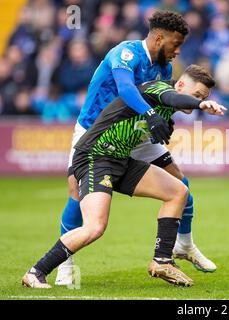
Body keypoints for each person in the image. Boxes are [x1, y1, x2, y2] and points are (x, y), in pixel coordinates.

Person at [21, 65, 227, 289]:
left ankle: (162, 260)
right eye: (196, 94)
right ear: (180, 85)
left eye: (203, 97)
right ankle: (36, 272)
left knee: (178, 191)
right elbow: (173, 99)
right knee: (95, 227)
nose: (197, 99)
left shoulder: (171, 104)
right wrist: (199, 104)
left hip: (120, 159)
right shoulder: (158, 88)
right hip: (95, 156)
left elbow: (171, 106)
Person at [55, 10, 215, 287]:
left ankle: (184, 245)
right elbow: (127, 90)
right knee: (77, 195)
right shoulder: (126, 53)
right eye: (176, 44)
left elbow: (160, 98)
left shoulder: (164, 67)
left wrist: (161, 120)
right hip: (96, 131)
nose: (178, 50)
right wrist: (151, 115)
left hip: (134, 132)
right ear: (159, 37)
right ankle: (64, 263)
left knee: (180, 183)